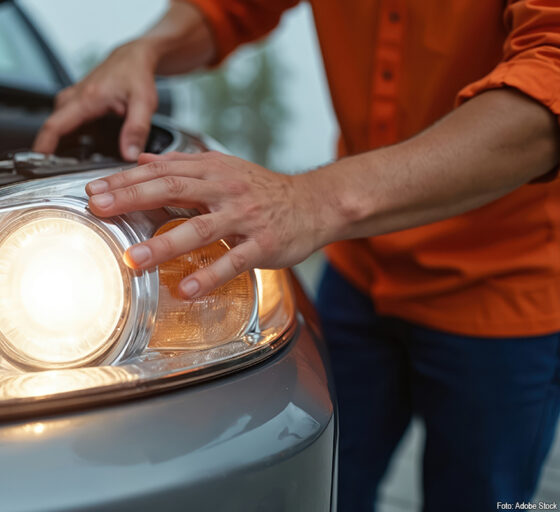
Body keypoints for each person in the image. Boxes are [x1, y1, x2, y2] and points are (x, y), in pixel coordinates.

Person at [34, 1, 560, 510]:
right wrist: (147, 48)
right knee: (328, 487)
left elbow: (548, 87)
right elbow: (231, 7)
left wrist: (310, 201)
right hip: (358, 275)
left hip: (506, 294)